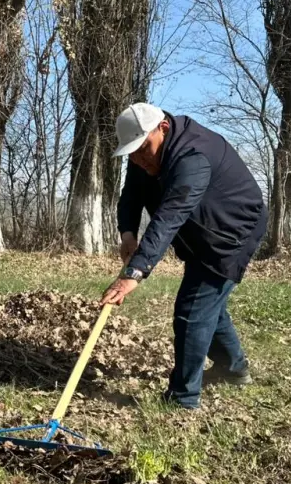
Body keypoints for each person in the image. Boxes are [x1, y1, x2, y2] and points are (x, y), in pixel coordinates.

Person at [100, 103, 267, 410]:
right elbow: (131, 195)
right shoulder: (145, 151)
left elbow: (169, 217)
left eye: (142, 149)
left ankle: (183, 399)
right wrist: (127, 234)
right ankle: (234, 369)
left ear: (162, 128)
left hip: (232, 232)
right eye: (132, 153)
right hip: (201, 230)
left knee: (192, 310)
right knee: (207, 305)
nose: (138, 158)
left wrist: (134, 273)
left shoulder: (193, 157)